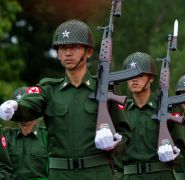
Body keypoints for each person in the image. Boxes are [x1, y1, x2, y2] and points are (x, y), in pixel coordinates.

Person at [0, 19, 131, 180]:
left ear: (88, 52)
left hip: (97, 173)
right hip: (60, 174)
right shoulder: (49, 89)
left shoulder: (106, 88)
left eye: (74, 47)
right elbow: (30, 106)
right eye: (62, 48)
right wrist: (15, 108)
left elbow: (125, 133)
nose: (67, 53)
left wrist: (114, 143)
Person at [119, 52, 179, 180]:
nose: (134, 79)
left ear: (151, 78)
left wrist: (173, 154)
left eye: (139, 74)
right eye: (130, 75)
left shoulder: (166, 110)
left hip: (161, 175)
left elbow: (182, 150)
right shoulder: (121, 111)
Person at [3, 87, 48, 180]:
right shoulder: (7, 136)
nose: (23, 117)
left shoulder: (47, 136)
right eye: (18, 112)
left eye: (26, 111)